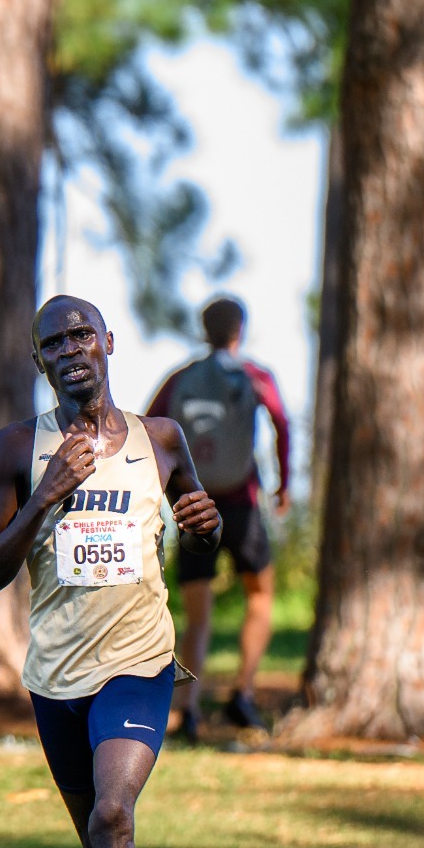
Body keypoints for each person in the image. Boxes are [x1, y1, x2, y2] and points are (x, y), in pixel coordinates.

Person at [0, 294, 221, 848]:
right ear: (41, 361)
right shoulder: (17, 447)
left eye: (84, 332)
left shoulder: (162, 439)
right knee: (99, 840)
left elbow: (201, 542)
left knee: (115, 812)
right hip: (56, 676)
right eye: (55, 341)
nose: (73, 347)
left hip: (140, 662)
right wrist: (45, 494)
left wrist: (207, 528)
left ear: (109, 342)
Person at [146, 296, 291, 736]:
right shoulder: (255, 376)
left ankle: (187, 709)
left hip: (194, 504)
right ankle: (241, 695)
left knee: (197, 614)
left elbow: (148, 426)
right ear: (239, 330)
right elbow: (282, 423)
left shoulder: (181, 378)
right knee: (261, 596)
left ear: (203, 330)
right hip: (243, 502)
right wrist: (283, 484)